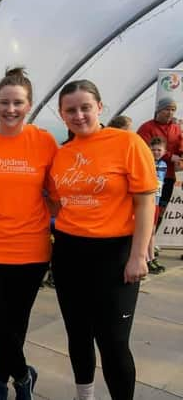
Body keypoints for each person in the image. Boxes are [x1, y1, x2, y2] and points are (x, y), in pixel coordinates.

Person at [49, 80, 156, 400]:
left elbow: (145, 200)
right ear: (62, 114)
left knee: (113, 341)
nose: (79, 115)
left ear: (100, 107)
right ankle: (85, 396)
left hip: (115, 253)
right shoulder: (63, 154)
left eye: (85, 107)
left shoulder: (127, 143)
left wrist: (138, 255)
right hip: (69, 251)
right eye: (71, 110)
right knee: (78, 334)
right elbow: (55, 202)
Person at [0, 68, 57, 400]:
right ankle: (23, 374)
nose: (10, 109)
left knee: (15, 323)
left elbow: (59, 195)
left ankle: (0, 383)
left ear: (29, 105)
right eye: (4, 102)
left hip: (30, 250)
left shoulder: (44, 141)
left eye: (18, 102)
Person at [137, 97, 183, 227]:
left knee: (160, 211)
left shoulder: (176, 128)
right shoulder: (146, 127)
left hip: (168, 176)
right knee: (147, 210)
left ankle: (151, 240)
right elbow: (145, 149)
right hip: (150, 175)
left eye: (173, 110)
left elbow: (180, 146)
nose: (170, 112)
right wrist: (170, 156)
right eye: (167, 109)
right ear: (158, 110)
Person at [147, 137, 168, 274]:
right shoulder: (146, 162)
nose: (156, 152)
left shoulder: (163, 165)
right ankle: (146, 259)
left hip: (156, 202)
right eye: (153, 149)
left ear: (165, 151)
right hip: (146, 204)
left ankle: (152, 258)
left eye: (159, 150)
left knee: (152, 232)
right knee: (146, 232)